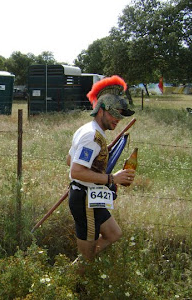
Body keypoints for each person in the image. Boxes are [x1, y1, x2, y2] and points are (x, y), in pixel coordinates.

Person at [66, 75, 135, 264]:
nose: (118, 120)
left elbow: (69, 159)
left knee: (114, 234)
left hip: (92, 195)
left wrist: (97, 163)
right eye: (115, 114)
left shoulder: (89, 130)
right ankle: (71, 280)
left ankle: (79, 269)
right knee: (87, 258)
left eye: (121, 115)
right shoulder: (92, 136)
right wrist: (113, 178)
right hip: (85, 199)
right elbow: (76, 171)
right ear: (101, 110)